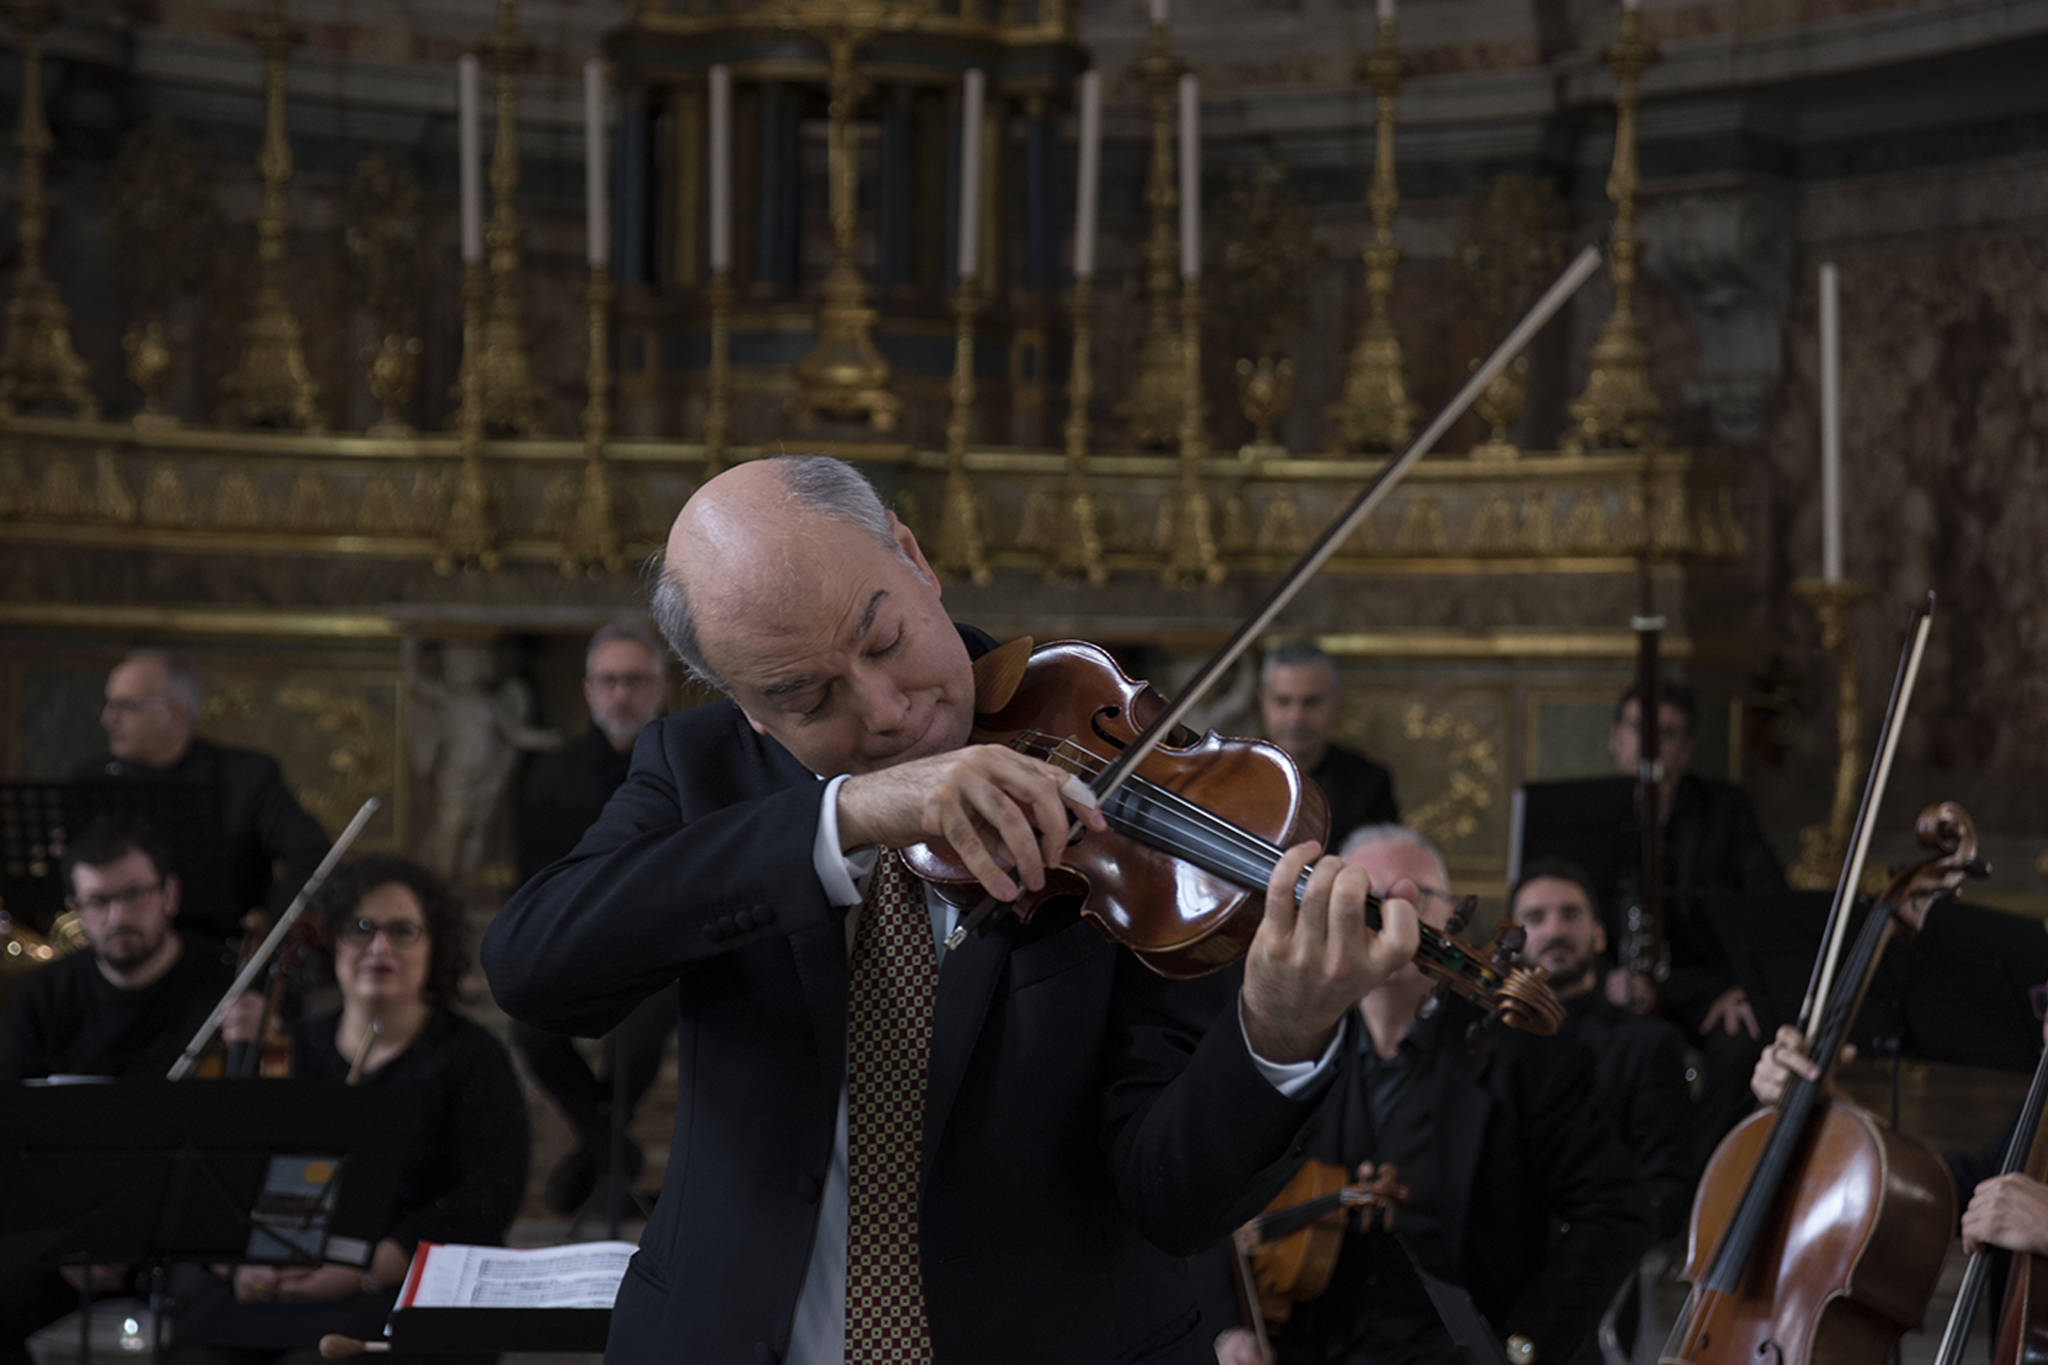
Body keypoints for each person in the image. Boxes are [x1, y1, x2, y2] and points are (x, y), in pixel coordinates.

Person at [481, 454, 1423, 1365]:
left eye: (882, 639)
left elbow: (1171, 1197)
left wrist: (1278, 1036)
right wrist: (841, 815)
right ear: (749, 708)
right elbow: (534, 963)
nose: (886, 711)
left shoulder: (1108, 772)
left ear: (914, 558)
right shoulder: (700, 768)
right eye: (807, 695)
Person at [1211, 827, 1650, 1365]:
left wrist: (1522, 1346)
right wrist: (1230, 1326)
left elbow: (1613, 1213)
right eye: (1363, 899)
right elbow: (1216, 1193)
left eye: (1413, 899)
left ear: (1449, 919)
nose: (1388, 918)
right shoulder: (1292, 1040)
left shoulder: (1527, 1058)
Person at [167, 854, 529, 1365]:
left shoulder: (471, 1056)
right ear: (332, 940)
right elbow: (228, 1177)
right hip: (281, 1280)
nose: (380, 947)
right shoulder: (290, 1051)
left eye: (403, 930)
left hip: (398, 1286)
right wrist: (237, 1267)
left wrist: (370, 1266)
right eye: (360, 928)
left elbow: (488, 1196)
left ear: (434, 945)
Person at [0, 821, 250, 1365]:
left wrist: (250, 1045)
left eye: (135, 895)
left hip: (190, 1244)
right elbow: (14, 1133)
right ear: (75, 907)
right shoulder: (45, 994)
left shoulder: (229, 988)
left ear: (169, 894)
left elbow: (255, 1132)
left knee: (226, 1339)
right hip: (68, 1240)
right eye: (99, 901)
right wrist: (65, 1237)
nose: (119, 917)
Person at [511, 621, 680, 1214]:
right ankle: (612, 1156)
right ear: (588, 690)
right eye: (609, 681)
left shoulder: (686, 764)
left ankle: (600, 1159)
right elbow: (536, 877)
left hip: (664, 949)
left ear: (660, 687)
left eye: (635, 681)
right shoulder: (549, 772)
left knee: (635, 1040)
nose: (621, 695)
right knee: (531, 1029)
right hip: (580, 943)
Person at [1604, 679, 1786, 1164]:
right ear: (1614, 739)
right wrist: (1606, 979)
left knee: (1741, 1042)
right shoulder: (1590, 812)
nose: (1649, 745)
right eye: (1637, 729)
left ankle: (1698, 1186)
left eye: (1664, 733)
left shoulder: (1725, 810)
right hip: (1619, 982)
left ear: (1685, 749)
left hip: (1706, 988)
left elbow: (1771, 907)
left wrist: (1744, 987)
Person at [72, 650, 331, 945]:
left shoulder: (246, 776)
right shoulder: (92, 779)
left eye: (127, 706)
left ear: (178, 714)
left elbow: (312, 854)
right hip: (115, 953)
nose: (108, 719)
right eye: (109, 704)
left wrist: (272, 923)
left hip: (219, 953)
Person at [1508, 858, 1696, 1241]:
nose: (1554, 930)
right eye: (1535, 918)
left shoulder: (1648, 1044)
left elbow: (1668, 1191)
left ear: (1598, 935)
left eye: (1571, 914)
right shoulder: (1494, 1043)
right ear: (1511, 942)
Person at [1258, 643, 1399, 855]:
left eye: (1311, 702)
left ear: (1336, 702)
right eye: (1282, 701)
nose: (1295, 718)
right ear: (1262, 701)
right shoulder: (1230, 775)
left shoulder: (1370, 783)